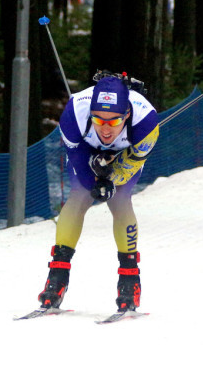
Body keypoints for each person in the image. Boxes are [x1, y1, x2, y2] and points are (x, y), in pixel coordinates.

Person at [38, 75, 159, 312]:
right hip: (85, 151)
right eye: (98, 120)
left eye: (114, 122)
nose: (105, 129)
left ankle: (129, 278)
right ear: (90, 113)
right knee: (79, 195)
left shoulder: (146, 121)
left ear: (126, 116)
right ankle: (57, 275)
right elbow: (78, 162)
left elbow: (128, 168)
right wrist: (95, 175)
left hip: (125, 157)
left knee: (120, 200)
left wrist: (109, 178)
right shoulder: (75, 111)